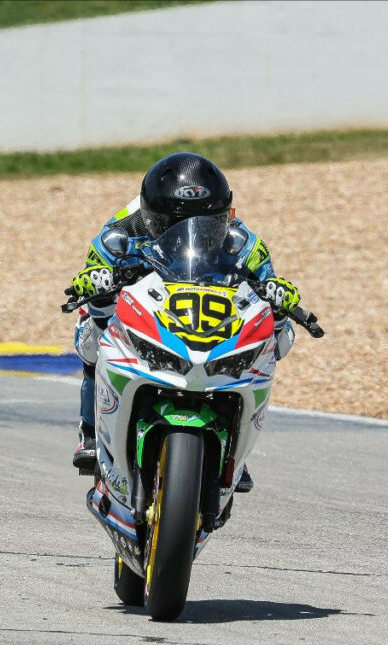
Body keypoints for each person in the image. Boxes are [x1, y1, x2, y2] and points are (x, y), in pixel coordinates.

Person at [67, 152, 303, 490]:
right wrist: (98, 288)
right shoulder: (116, 237)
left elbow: (266, 293)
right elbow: (85, 285)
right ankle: (91, 430)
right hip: (147, 305)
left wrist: (278, 306)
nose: (188, 234)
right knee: (90, 337)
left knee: (272, 341)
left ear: (224, 217)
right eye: (172, 226)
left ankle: (236, 447)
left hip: (206, 308)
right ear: (150, 218)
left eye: (207, 224)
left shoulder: (244, 244)